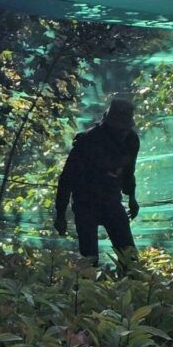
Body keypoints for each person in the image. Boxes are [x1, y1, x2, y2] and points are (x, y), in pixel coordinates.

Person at [54, 98, 141, 269]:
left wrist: (131, 197)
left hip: (111, 201)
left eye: (126, 128)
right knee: (89, 260)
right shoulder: (87, 142)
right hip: (86, 203)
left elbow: (128, 171)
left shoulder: (131, 140)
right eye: (119, 128)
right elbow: (66, 179)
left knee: (129, 257)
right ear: (109, 125)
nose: (123, 132)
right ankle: (86, 292)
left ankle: (132, 287)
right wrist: (60, 214)